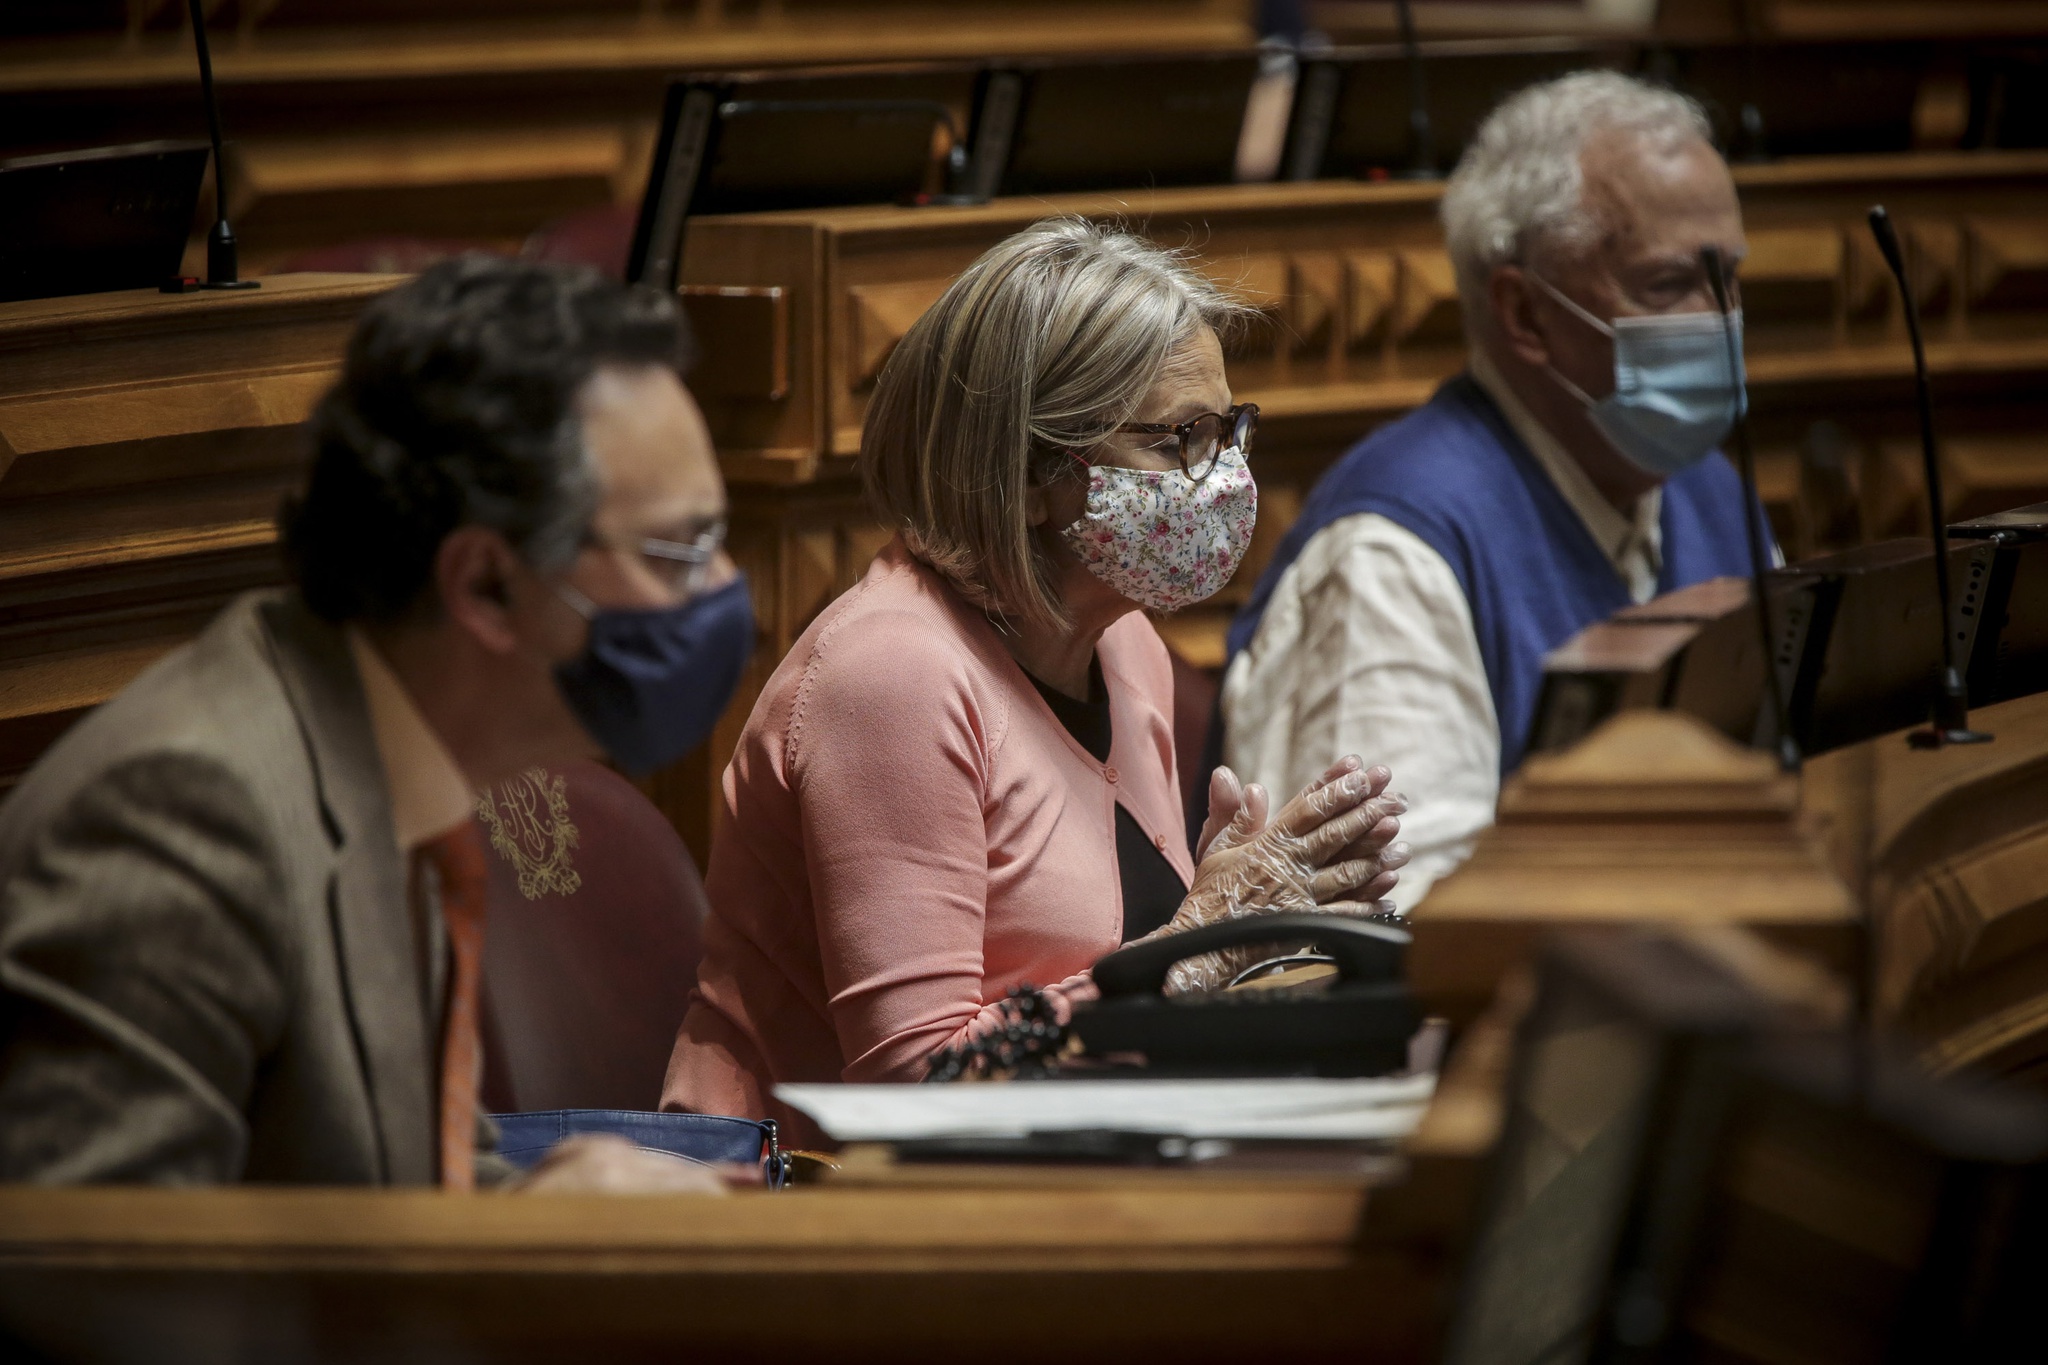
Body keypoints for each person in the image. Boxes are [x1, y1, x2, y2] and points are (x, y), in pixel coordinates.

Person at [0, 257, 754, 1188]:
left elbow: (404, 1177)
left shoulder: (399, 757)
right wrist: (527, 1256)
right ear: (483, 582)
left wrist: (556, 1213)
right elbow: (107, 1291)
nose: (723, 595)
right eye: (679, 552)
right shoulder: (183, 821)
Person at [665, 219, 1410, 1141]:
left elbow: (1098, 977)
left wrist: (1246, 932)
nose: (1223, 477)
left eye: (1229, 430)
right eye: (1181, 440)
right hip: (802, 1211)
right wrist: (1199, 941)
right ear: (1024, 474)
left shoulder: (1123, 641)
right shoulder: (892, 677)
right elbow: (914, 1088)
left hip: (1046, 1171)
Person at [1221, 72, 1759, 911]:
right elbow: (1403, 930)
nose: (1723, 320)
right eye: (1669, 285)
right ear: (1525, 314)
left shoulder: (1715, 491)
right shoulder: (1392, 550)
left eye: (1729, 277)